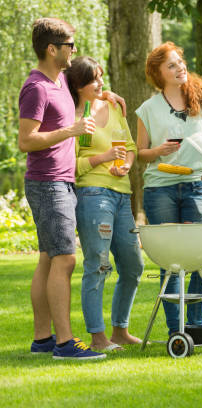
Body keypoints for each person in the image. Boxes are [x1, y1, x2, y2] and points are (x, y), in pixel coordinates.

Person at [18, 18, 122, 360]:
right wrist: (70, 131)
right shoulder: (36, 88)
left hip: (61, 180)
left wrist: (106, 93)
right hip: (48, 183)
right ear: (52, 49)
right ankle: (65, 343)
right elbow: (25, 141)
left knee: (48, 259)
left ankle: (42, 339)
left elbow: (84, 84)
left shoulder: (60, 79)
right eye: (69, 46)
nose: (74, 51)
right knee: (65, 259)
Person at [136, 42, 202, 335]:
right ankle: (176, 331)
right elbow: (140, 153)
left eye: (180, 62)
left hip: (196, 187)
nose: (180, 68)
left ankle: (195, 326)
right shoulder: (148, 109)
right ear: (158, 73)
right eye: (171, 65)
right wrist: (158, 151)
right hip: (159, 189)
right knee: (171, 262)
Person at [65, 56, 144, 351]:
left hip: (123, 195)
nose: (101, 83)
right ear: (78, 85)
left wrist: (125, 165)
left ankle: (120, 330)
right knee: (98, 264)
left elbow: (131, 148)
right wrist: (102, 158)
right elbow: (70, 167)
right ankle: (98, 337)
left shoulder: (113, 107)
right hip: (92, 195)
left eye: (101, 76)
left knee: (133, 265)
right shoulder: (72, 117)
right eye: (94, 79)